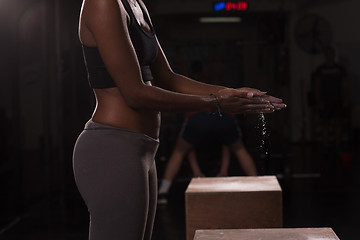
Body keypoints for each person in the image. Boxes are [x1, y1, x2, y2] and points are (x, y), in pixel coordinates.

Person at [72, 0, 286, 239]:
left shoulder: (136, 4)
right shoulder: (102, 3)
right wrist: (216, 103)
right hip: (112, 146)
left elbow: (168, 78)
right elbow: (135, 93)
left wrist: (231, 93)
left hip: (142, 148)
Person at [158, 111, 257, 204]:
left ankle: (163, 192)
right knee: (239, 148)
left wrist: (197, 171)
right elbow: (227, 143)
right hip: (224, 116)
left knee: (179, 151)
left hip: (199, 115)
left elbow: (189, 147)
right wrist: (223, 170)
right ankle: (257, 186)